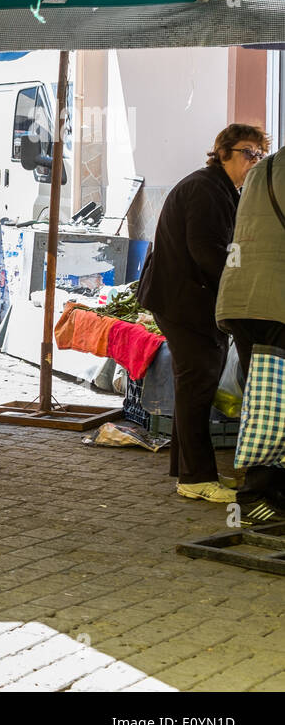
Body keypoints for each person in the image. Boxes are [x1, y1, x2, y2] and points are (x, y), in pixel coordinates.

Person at [139, 124, 263, 503]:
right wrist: (242, 283)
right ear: (222, 151)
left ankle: (189, 470)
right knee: (198, 387)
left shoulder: (225, 189)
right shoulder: (207, 189)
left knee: (195, 387)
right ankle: (195, 477)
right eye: (246, 152)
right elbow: (208, 252)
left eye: (259, 155)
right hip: (184, 303)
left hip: (189, 301)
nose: (253, 161)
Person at [215, 136, 284, 520]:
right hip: (275, 301)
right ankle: (263, 493)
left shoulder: (262, 170)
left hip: (242, 301)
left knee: (264, 397)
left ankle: (261, 491)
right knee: (276, 398)